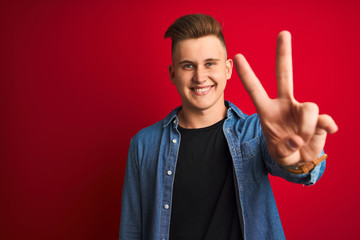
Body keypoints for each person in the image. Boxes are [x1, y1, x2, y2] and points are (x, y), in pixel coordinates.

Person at [119, 14, 338, 240]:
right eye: (188, 66)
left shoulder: (257, 131)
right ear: (173, 74)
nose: (200, 76)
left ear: (227, 69)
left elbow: (298, 168)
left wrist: (301, 161)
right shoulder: (143, 144)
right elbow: (132, 229)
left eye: (210, 64)